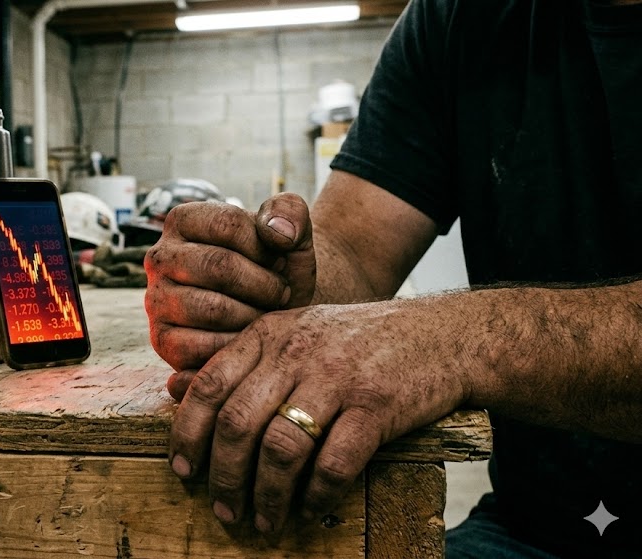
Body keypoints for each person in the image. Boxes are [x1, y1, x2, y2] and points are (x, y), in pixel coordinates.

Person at [143, 0, 642, 557]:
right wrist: (273, 283)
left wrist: (455, 342)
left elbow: (445, 340)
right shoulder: (458, 17)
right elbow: (354, 250)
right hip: (534, 529)